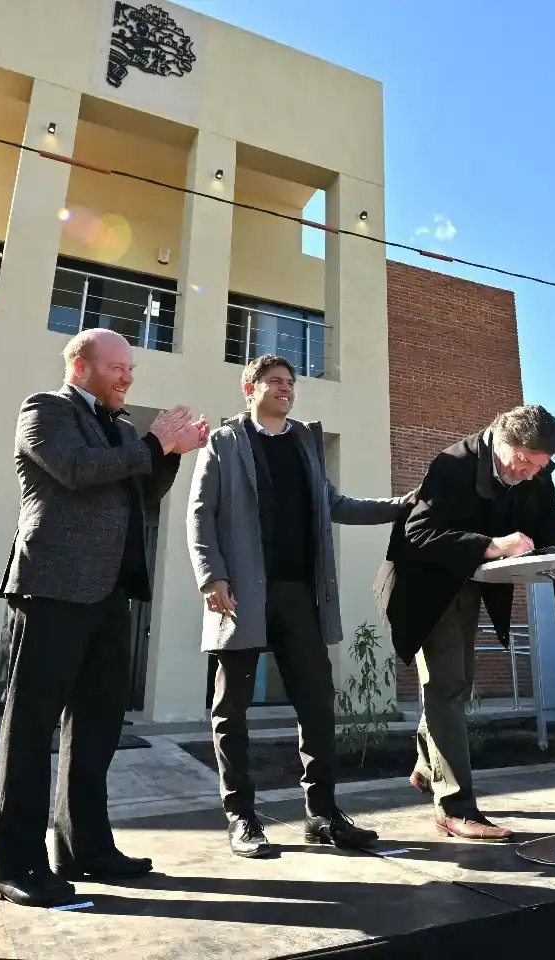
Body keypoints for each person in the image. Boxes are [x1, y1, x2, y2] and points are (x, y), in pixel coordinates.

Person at [0, 328, 208, 908]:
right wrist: (153, 441)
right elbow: (76, 469)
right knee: (32, 729)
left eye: (131, 369)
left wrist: (170, 452)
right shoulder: (46, 409)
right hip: (54, 587)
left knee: (95, 732)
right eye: (118, 368)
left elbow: (142, 495)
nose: (128, 377)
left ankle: (86, 848)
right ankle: (16, 864)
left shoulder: (122, 429)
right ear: (81, 366)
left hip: (111, 594)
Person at [187, 354, 410, 858]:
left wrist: (398, 506)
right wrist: (211, 577)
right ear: (250, 388)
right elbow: (201, 515)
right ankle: (242, 818)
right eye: (276, 382)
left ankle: (323, 814)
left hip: (298, 594)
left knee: (316, 702)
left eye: (290, 382)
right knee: (231, 709)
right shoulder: (224, 442)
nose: (287, 389)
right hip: (241, 592)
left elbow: (335, 503)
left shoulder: (306, 443)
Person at [376, 405, 555, 841]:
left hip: (468, 584)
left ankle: (429, 767)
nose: (530, 475)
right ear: (504, 441)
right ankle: (455, 808)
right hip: (424, 587)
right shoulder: (453, 465)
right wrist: (493, 544)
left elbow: (548, 524)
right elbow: (417, 534)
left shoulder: (536, 470)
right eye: (524, 464)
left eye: (539, 467)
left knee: (458, 686)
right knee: (446, 686)